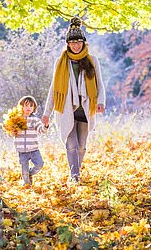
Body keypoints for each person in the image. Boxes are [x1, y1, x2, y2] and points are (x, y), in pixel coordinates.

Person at [42, 17, 105, 182]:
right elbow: (53, 88)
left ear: (84, 43)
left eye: (79, 42)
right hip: (66, 110)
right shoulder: (60, 62)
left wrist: (100, 102)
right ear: (68, 44)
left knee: (82, 147)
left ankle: (77, 172)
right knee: (71, 146)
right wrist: (47, 112)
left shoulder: (92, 61)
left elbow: (100, 84)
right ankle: (74, 177)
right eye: (72, 43)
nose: (76, 46)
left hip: (85, 110)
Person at [14, 95, 49, 186]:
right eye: (26, 105)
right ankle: (27, 184)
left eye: (31, 106)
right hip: (22, 150)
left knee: (39, 164)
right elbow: (11, 132)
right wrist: (13, 132)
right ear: (21, 107)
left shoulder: (35, 120)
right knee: (24, 169)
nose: (28, 108)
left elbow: (41, 131)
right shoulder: (17, 119)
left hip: (34, 149)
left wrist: (45, 126)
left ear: (34, 108)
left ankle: (30, 173)